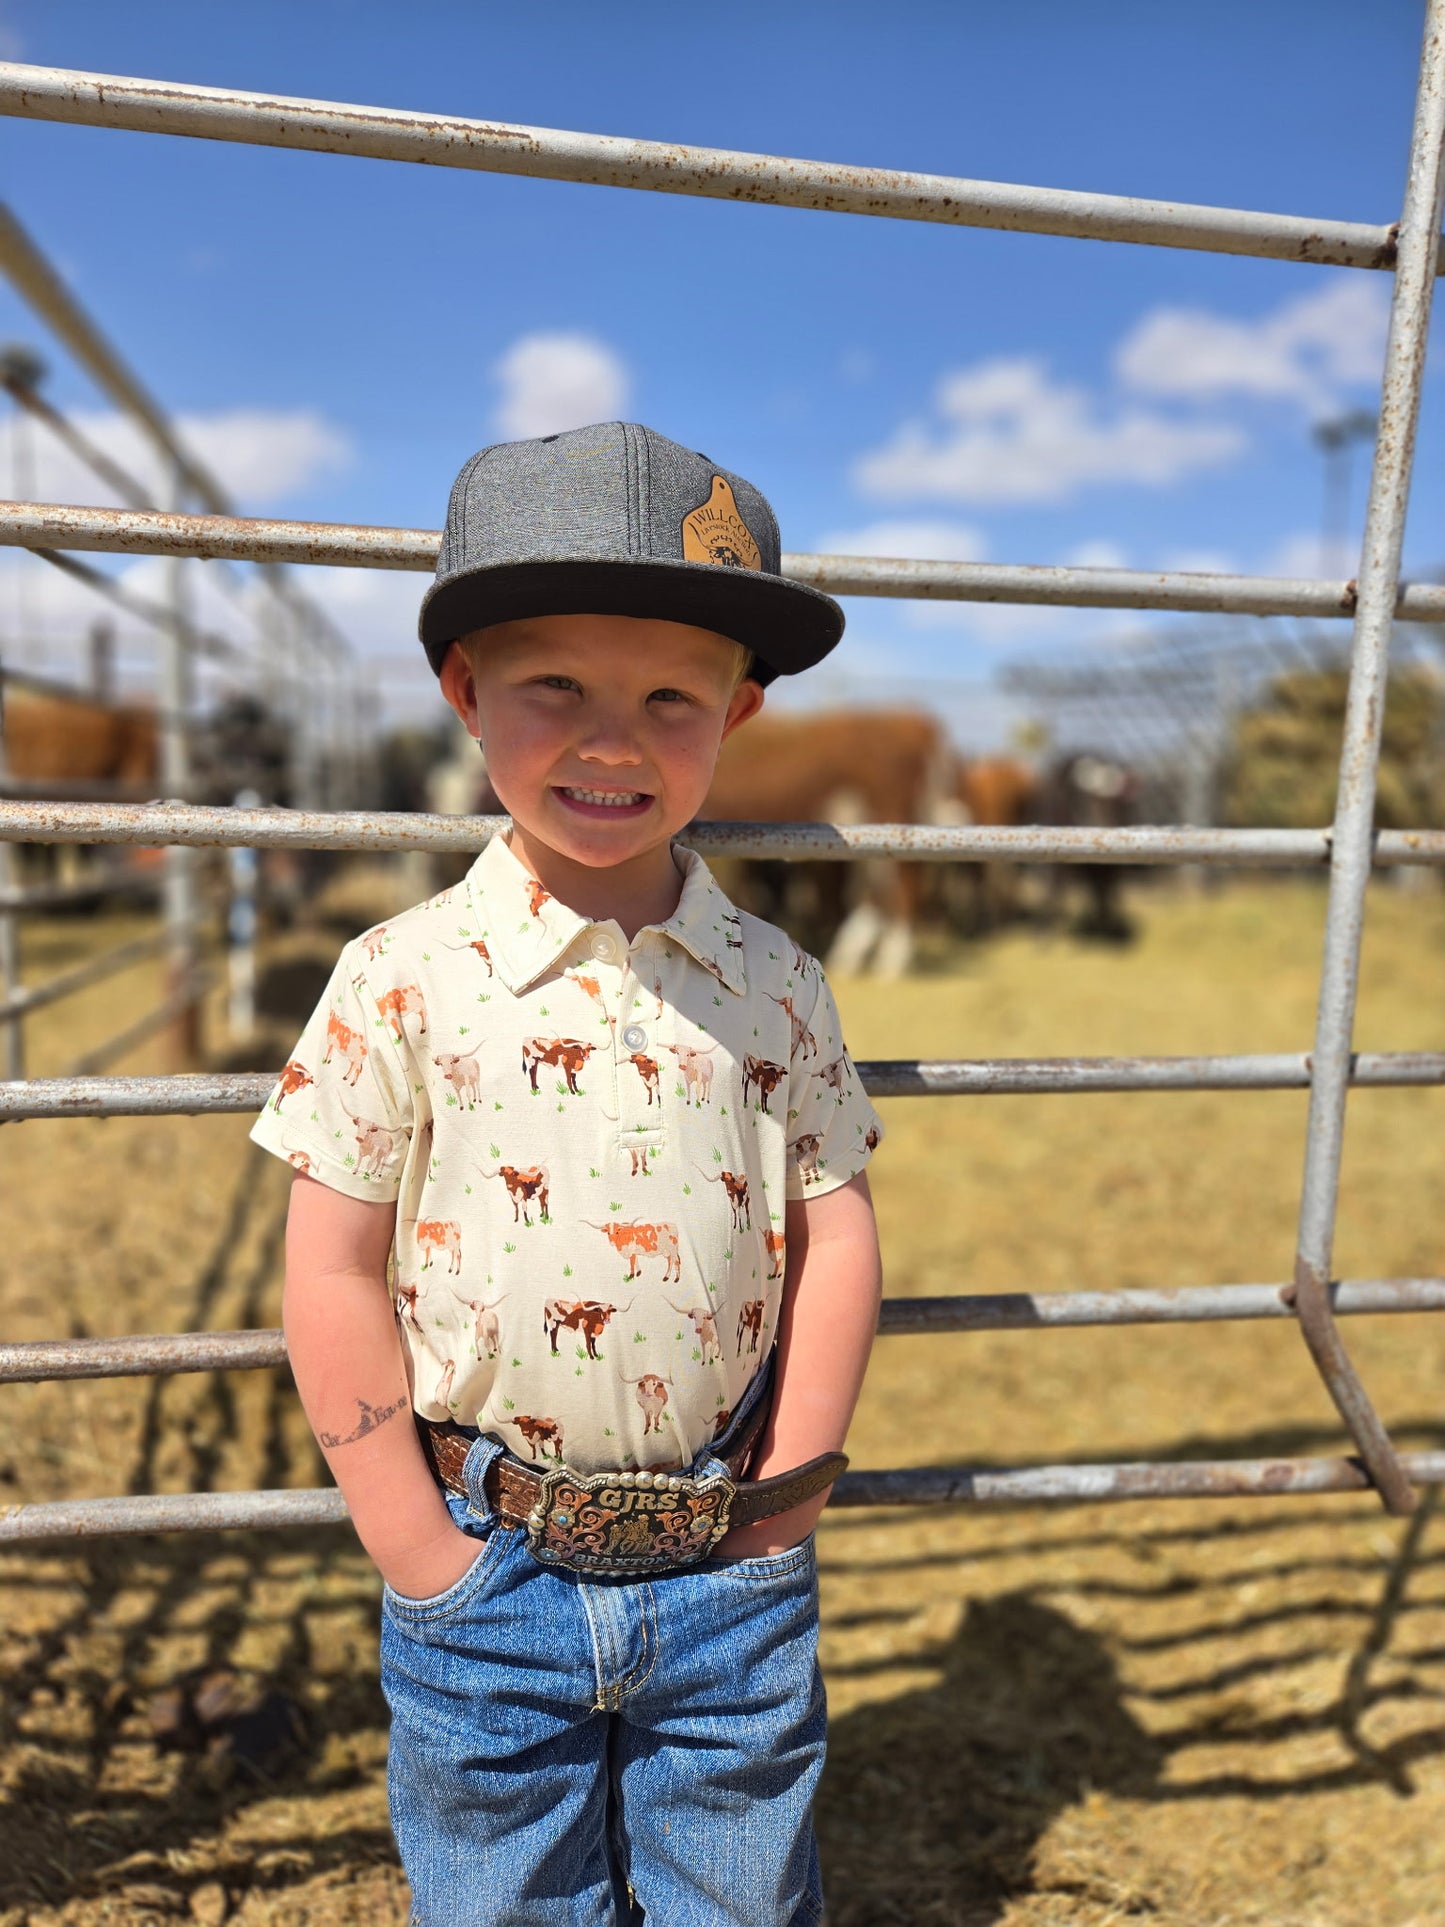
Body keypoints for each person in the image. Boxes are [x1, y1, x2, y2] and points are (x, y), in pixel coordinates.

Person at [250, 422, 885, 1927]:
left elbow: (833, 1226)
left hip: (727, 1546)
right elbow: (329, 1266)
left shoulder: (776, 981)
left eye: (672, 696)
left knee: (738, 1890)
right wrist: (414, 1550)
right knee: (501, 1896)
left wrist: (782, 1504)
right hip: (481, 1556)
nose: (616, 739)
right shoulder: (397, 978)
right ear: (464, 690)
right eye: (557, 688)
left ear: (737, 712)